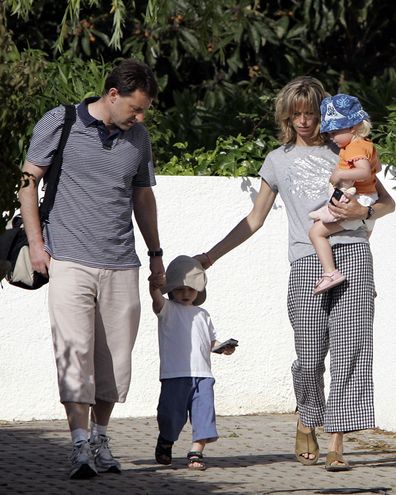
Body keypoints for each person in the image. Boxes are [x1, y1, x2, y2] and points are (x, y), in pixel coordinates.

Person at [196, 76, 395, 472]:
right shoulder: (277, 159)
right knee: (309, 356)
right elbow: (254, 219)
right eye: (296, 114)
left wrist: (364, 212)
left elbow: (386, 203)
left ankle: (338, 442)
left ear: (323, 114)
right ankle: (307, 416)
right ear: (286, 115)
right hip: (307, 261)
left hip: (354, 254)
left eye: (310, 113)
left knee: (352, 350)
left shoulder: (346, 149)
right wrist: (211, 256)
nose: (304, 121)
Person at [18, 59, 165, 480]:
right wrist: (37, 245)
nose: (139, 117)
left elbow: (143, 198)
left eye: (144, 112)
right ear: (112, 95)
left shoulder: (139, 139)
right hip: (67, 258)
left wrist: (156, 254)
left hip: (122, 262)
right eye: (135, 109)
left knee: (115, 361)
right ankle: (79, 443)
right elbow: (28, 181)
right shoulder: (60, 121)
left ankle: (101, 436)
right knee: (75, 350)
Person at [149, 255, 236, 471]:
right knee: (170, 414)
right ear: (171, 290)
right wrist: (155, 285)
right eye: (180, 289)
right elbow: (156, 297)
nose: (186, 293)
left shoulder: (203, 314)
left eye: (190, 289)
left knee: (204, 413)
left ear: (199, 290)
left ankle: (196, 451)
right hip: (174, 374)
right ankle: (166, 440)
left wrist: (222, 347)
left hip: (203, 375)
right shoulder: (167, 309)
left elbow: (210, 341)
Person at [308, 94, 382, 295]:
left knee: (316, 232)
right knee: (364, 241)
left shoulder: (354, 146)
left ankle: (330, 273)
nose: (331, 137)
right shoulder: (367, 145)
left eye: (334, 132)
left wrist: (339, 173)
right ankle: (368, 283)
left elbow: (364, 172)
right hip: (369, 200)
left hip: (359, 201)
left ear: (353, 127)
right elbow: (378, 167)